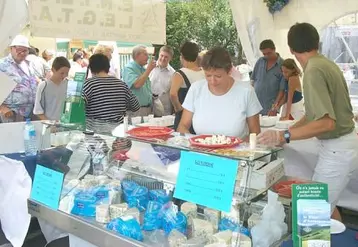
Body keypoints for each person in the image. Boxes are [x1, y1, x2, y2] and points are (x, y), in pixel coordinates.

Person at [258, 22, 358, 221]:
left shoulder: (313, 71)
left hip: (337, 148)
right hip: (343, 144)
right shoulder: (326, 63)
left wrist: (284, 135)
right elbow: (314, 115)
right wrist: (290, 130)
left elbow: (326, 123)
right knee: (325, 205)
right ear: (317, 42)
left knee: (312, 213)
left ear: (291, 49)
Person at [178, 47, 261, 139]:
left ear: (229, 71)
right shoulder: (196, 89)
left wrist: (238, 147)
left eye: (218, 76)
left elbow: (255, 133)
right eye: (208, 75)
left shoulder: (246, 92)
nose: (212, 81)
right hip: (201, 150)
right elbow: (182, 126)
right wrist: (194, 142)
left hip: (235, 151)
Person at [82, 54, 140, 125]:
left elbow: (79, 106)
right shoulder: (121, 84)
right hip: (118, 130)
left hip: (95, 130)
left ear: (91, 68)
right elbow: (136, 106)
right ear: (108, 67)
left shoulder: (89, 84)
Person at [0, 35, 37, 122]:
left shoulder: (29, 65)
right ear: (11, 49)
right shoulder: (3, 65)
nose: (22, 53)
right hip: (11, 113)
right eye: (19, 50)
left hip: (30, 112)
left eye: (25, 50)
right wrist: (2, 107)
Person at [170, 41, 205, 132]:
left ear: (182, 56)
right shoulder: (204, 72)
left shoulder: (180, 74)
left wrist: (178, 108)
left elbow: (173, 93)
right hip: (201, 114)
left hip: (185, 116)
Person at [251, 39, 285, 116]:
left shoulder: (282, 65)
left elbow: (282, 90)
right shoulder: (260, 61)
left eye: (269, 53)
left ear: (274, 49)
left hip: (270, 107)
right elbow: (252, 81)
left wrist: (275, 107)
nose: (266, 56)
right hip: (256, 105)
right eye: (264, 54)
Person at [122, 45, 155, 117]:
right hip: (135, 111)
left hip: (147, 109)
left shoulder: (143, 69)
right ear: (137, 55)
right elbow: (137, 84)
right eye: (145, 54)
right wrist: (148, 70)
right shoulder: (128, 68)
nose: (148, 57)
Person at [149, 45, 175, 116]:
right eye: (162, 55)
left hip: (164, 110)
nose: (163, 58)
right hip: (149, 108)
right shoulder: (149, 68)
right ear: (159, 54)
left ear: (170, 58)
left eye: (166, 57)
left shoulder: (173, 73)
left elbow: (173, 93)